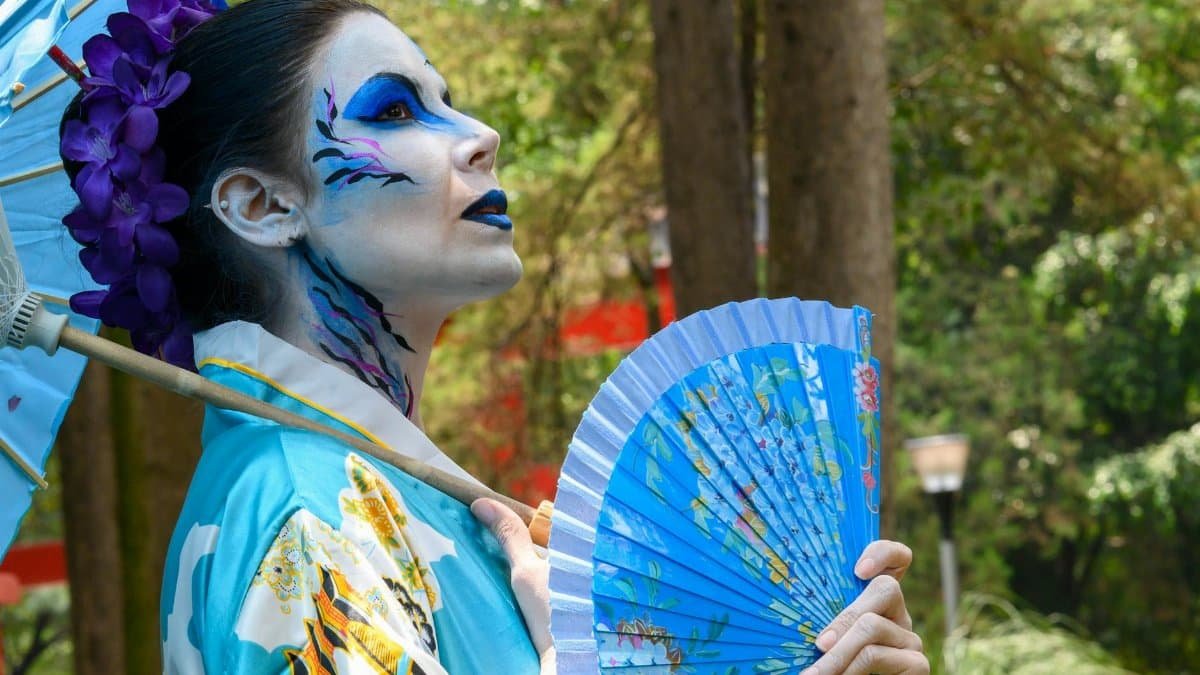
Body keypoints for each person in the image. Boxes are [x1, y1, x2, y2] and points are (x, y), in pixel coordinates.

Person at [58, 0, 928, 672]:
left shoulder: (366, 487)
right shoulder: (306, 512)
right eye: (395, 112)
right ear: (264, 205)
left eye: (448, 101)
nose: (480, 136)